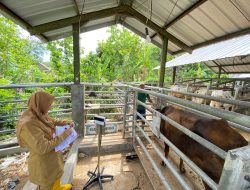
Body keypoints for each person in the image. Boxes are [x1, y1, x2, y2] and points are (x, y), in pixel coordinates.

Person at [16, 91, 75, 190]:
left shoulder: (39, 113)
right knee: (47, 183)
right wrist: (65, 134)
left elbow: (52, 121)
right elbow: (42, 147)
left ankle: (58, 187)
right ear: (40, 103)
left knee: (55, 174)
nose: (50, 106)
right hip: (43, 162)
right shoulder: (28, 124)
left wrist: (67, 122)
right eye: (49, 104)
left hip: (51, 156)